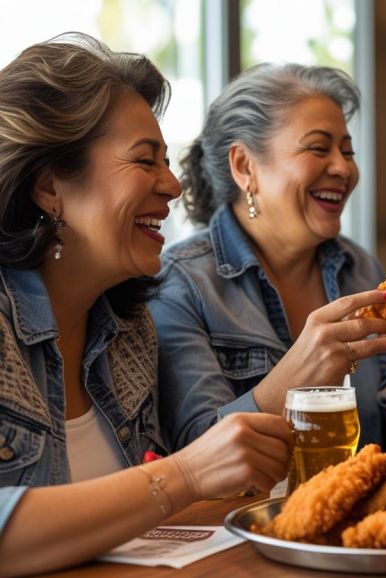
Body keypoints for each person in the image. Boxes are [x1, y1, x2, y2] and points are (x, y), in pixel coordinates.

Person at [0, 34, 292, 576]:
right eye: (144, 160)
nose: (174, 185)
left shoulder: (128, 326)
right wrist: (186, 475)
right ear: (48, 186)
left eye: (167, 162)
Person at [150, 64, 386, 452]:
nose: (343, 167)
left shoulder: (360, 268)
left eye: (347, 151)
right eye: (318, 148)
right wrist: (298, 376)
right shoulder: (181, 285)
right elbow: (194, 452)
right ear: (244, 166)